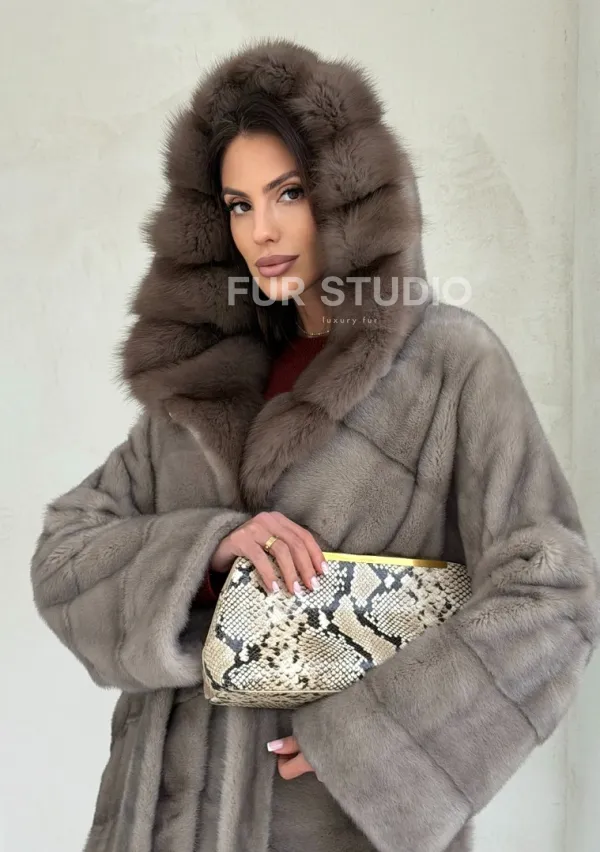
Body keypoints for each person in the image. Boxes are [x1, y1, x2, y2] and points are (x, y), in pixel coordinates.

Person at [30, 37, 599, 852]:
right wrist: (206, 547)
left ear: (346, 197)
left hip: (328, 824)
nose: (262, 230)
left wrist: (371, 745)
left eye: (287, 193)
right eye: (238, 205)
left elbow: (553, 592)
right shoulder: (199, 388)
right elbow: (64, 554)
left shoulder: (450, 364)